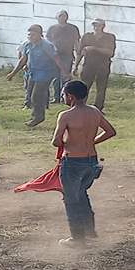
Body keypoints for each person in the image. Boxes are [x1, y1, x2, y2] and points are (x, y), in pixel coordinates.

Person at [51, 80, 116, 248]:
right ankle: (90, 230)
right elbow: (110, 131)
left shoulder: (65, 116)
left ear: (70, 96)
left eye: (64, 95)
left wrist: (70, 140)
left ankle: (78, 239)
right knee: (81, 193)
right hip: (92, 161)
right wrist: (91, 141)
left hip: (73, 161)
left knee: (71, 199)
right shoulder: (94, 111)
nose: (63, 97)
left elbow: (56, 141)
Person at [6, 25, 71, 127]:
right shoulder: (27, 45)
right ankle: (36, 115)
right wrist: (12, 73)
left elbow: (56, 58)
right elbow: (23, 59)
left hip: (46, 73)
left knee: (36, 95)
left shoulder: (46, 45)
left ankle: (38, 117)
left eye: (33, 35)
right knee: (31, 93)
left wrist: (65, 73)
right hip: (33, 72)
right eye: (29, 35)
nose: (31, 37)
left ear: (40, 35)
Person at [74, 18, 116, 113]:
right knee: (84, 87)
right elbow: (80, 52)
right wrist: (76, 65)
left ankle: (98, 108)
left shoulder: (109, 37)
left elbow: (110, 52)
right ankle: (81, 106)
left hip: (103, 65)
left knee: (101, 88)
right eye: (94, 25)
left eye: (98, 25)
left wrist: (94, 49)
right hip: (89, 65)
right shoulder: (87, 37)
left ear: (103, 26)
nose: (96, 27)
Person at [45, 11, 80, 104]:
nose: (61, 18)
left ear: (66, 17)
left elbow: (76, 42)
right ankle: (56, 97)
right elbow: (48, 42)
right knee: (56, 77)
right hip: (55, 55)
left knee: (65, 76)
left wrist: (78, 53)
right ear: (56, 17)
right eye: (59, 16)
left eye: (63, 16)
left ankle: (64, 97)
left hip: (67, 55)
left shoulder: (73, 28)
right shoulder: (52, 28)